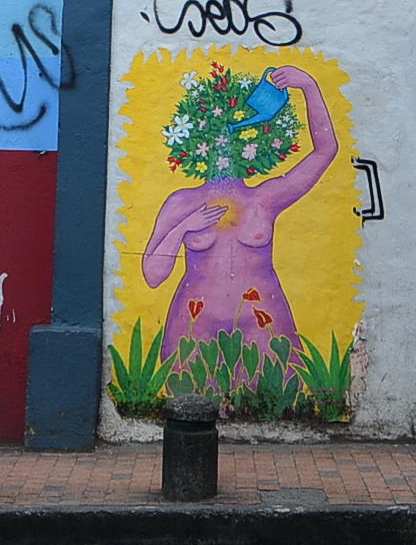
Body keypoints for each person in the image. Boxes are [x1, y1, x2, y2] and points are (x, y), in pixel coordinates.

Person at [141, 64, 342, 359]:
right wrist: (184, 227)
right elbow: (153, 275)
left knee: (274, 387)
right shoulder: (182, 203)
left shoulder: (266, 199)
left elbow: (325, 151)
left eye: (232, 139)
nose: (223, 149)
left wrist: (309, 86)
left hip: (263, 324)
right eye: (216, 139)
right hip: (195, 325)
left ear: (253, 145)